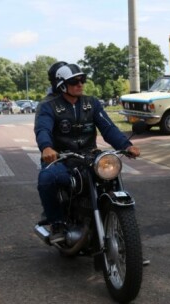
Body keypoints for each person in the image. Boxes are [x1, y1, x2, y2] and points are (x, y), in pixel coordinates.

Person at [34, 63, 140, 243]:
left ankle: (127, 238)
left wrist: (126, 145)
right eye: (74, 81)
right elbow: (43, 129)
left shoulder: (92, 103)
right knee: (47, 178)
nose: (80, 84)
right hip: (62, 158)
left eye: (82, 80)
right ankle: (57, 221)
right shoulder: (48, 106)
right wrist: (46, 147)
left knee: (110, 178)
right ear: (61, 84)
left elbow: (108, 128)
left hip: (89, 156)